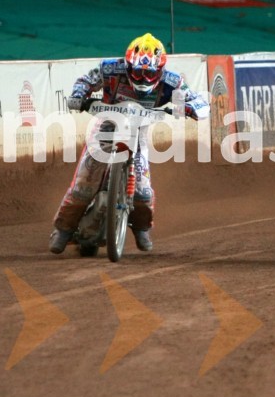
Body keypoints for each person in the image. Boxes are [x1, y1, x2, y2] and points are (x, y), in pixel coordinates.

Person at [49, 33, 210, 254]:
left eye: (149, 73)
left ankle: (142, 229)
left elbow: (199, 101)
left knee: (143, 193)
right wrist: (79, 95)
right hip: (106, 126)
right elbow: (85, 81)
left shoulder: (172, 81)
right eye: (138, 71)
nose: (143, 78)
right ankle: (63, 230)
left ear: (159, 70)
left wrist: (193, 109)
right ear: (128, 64)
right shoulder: (109, 69)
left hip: (138, 131)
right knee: (84, 185)